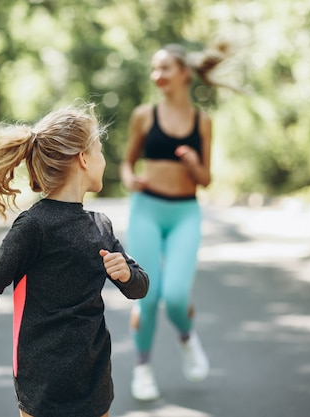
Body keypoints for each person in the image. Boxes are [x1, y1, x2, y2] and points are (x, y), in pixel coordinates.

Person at [0, 103, 149, 417]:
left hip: (94, 379)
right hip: (42, 382)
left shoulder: (100, 225)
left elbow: (139, 288)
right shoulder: (34, 226)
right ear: (84, 159)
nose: (104, 160)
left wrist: (128, 274)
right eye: (100, 150)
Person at [120, 40, 237, 401]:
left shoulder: (202, 121)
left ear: (184, 73)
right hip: (147, 210)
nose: (157, 76)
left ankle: (186, 337)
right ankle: (143, 368)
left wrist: (192, 164)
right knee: (147, 294)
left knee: (174, 296)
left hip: (185, 213)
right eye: (154, 69)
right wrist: (129, 179)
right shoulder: (143, 115)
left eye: (165, 69)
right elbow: (127, 163)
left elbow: (205, 179)